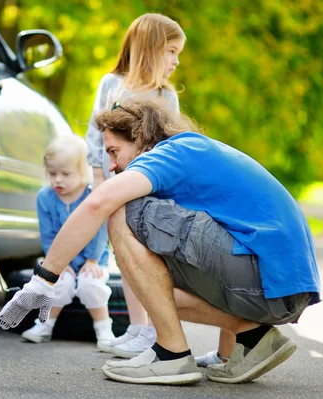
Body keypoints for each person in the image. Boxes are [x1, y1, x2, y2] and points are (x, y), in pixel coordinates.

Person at [0, 99, 320, 386]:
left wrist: (44, 280)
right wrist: (227, 354)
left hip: (266, 277)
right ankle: (249, 340)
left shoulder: (171, 152)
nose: (111, 165)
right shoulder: (195, 154)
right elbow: (229, 231)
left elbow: (98, 203)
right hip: (279, 287)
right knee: (153, 284)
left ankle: (171, 355)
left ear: (139, 138)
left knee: (121, 210)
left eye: (113, 151)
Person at [85, 12, 233, 363]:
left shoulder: (165, 95)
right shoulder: (112, 85)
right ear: (151, 48)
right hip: (117, 181)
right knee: (126, 256)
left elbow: (174, 143)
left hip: (153, 188)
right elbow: (96, 133)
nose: (176, 61)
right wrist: (97, 175)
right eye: (171, 51)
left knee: (150, 258)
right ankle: (137, 328)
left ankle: (155, 329)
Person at [19, 135, 115, 348]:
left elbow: (100, 231)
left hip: (93, 258)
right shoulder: (45, 197)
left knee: (91, 285)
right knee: (57, 284)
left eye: (65, 174)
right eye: (52, 174)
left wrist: (92, 261)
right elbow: (48, 235)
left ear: (83, 172)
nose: (57, 180)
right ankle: (44, 325)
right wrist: (58, 264)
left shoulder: (92, 195)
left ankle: (104, 328)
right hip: (60, 259)